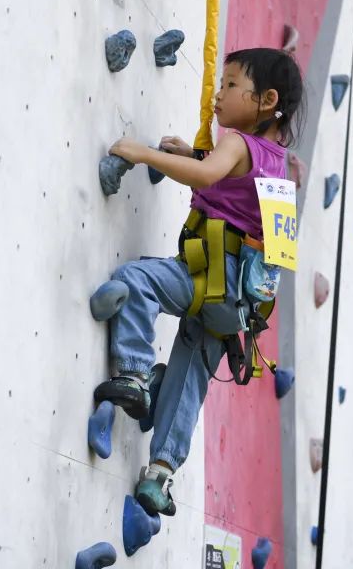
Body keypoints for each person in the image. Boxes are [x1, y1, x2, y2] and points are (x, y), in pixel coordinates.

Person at [90, 48, 303, 517]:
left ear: (266, 100)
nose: (217, 94)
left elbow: (211, 174)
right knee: (189, 380)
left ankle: (136, 374)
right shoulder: (280, 164)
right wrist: (195, 153)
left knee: (137, 281)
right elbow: (238, 189)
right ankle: (159, 476)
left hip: (205, 277)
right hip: (239, 308)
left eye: (229, 85)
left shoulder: (237, 143)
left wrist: (142, 153)